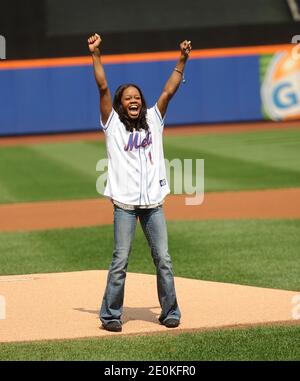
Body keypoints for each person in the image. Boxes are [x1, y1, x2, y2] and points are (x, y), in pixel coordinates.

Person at [88, 33, 192, 332]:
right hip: (124, 204)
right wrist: (96, 55)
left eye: (136, 97)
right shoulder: (113, 124)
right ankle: (110, 315)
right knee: (120, 261)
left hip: (153, 204)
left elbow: (169, 92)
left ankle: (170, 311)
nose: (133, 101)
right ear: (121, 105)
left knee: (164, 259)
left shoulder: (154, 118)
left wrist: (182, 59)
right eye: (128, 98)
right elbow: (103, 86)